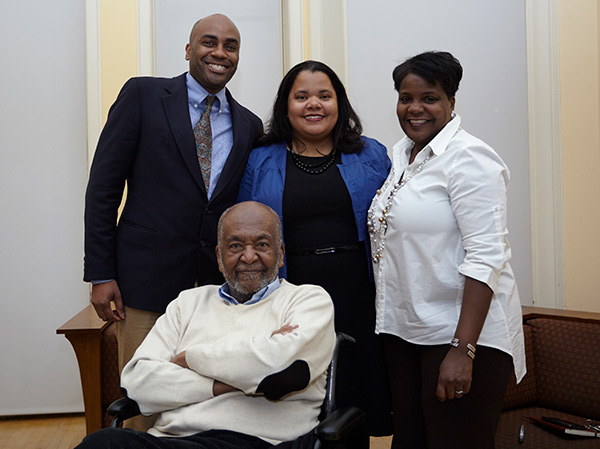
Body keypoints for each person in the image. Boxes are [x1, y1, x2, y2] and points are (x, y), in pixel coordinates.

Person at [83, 13, 263, 398]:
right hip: (144, 284)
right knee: (143, 398)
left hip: (215, 289)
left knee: (202, 399)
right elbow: (103, 189)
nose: (220, 52)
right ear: (188, 50)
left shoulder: (249, 125)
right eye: (209, 42)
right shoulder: (142, 96)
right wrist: (101, 274)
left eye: (230, 46)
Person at [76, 201, 336, 449]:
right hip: (174, 439)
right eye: (235, 246)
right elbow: (138, 383)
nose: (248, 257)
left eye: (262, 244)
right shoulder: (187, 303)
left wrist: (189, 358)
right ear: (219, 257)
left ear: (280, 254)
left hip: (263, 441)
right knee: (102, 443)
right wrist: (230, 381)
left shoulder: (308, 301)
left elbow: (284, 368)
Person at [368, 51, 526, 449]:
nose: (415, 108)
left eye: (430, 98)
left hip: (461, 337)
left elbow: (487, 257)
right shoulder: (400, 155)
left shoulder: (470, 158)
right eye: (406, 98)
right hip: (407, 333)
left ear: (451, 102)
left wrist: (463, 349)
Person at [237, 60, 393, 445]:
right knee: (293, 395)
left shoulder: (371, 155)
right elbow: (244, 230)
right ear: (285, 105)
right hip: (291, 293)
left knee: (353, 397)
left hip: (358, 293)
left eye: (325, 95)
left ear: (339, 103)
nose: (314, 104)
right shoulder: (261, 158)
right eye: (302, 96)